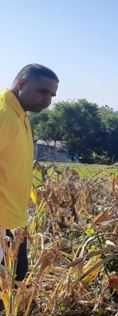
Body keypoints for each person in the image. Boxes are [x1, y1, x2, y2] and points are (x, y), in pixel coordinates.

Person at [0, 64, 59, 281]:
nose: (48, 100)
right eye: (43, 92)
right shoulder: (4, 114)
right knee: (8, 285)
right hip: (2, 220)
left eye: (52, 95)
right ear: (22, 83)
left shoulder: (20, 115)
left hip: (13, 218)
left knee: (16, 278)